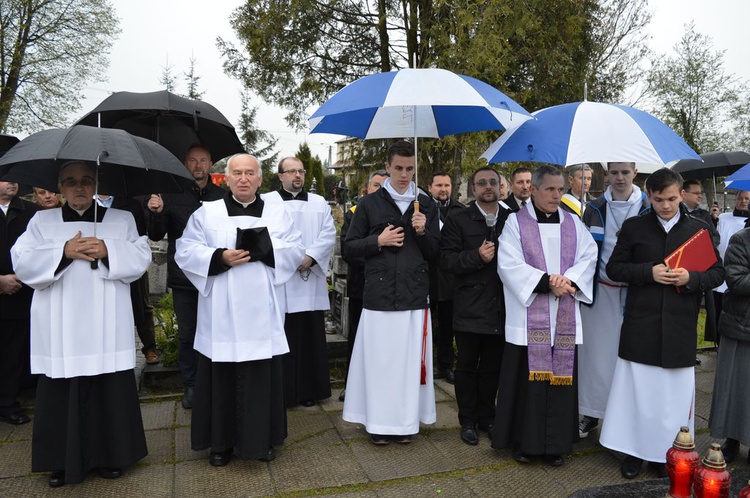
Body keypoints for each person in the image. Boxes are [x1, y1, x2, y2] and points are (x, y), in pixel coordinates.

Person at [11, 161, 151, 487]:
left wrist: (108, 249)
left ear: (96, 184)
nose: (79, 188)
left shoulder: (121, 219)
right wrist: (63, 251)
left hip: (107, 320)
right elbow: (22, 259)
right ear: (60, 187)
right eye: (71, 182)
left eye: (86, 181)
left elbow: (141, 255)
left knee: (109, 387)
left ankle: (112, 456)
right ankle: (60, 461)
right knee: (62, 389)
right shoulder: (41, 221)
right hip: (61, 322)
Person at [175, 154, 305, 465]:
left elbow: (296, 247)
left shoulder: (278, 212)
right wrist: (220, 257)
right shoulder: (207, 213)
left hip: (262, 310)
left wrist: (266, 250)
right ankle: (220, 444)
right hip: (221, 311)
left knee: (260, 377)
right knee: (221, 376)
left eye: (250, 173)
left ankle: (260, 441)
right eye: (237, 173)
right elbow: (186, 249)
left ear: (261, 179)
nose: (243, 178)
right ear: (227, 179)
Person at [599, 168, 724, 480]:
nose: (665, 205)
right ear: (649, 196)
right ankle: (632, 453)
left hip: (680, 324)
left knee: (671, 399)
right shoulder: (634, 227)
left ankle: (664, 454)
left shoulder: (699, 228)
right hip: (641, 322)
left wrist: (691, 278)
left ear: (681, 194)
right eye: (658, 200)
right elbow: (614, 268)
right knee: (636, 394)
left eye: (671, 198)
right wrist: (648, 272)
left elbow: (718, 274)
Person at [491, 165, 597, 467]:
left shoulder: (574, 223)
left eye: (560, 189)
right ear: (533, 189)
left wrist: (570, 280)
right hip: (528, 318)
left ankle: (556, 445)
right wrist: (548, 281)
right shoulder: (514, 223)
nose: (556, 195)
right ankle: (525, 443)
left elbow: (589, 256)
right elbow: (508, 262)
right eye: (550, 189)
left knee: (559, 383)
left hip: (564, 315)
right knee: (527, 386)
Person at [342, 140, 439, 445]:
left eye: (410, 169)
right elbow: (349, 248)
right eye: (398, 168)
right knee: (381, 365)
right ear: (387, 167)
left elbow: (436, 254)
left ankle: (406, 423)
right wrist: (378, 241)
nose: (404, 174)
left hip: (413, 296)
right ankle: (378, 424)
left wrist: (422, 232)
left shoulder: (427, 205)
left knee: (408, 366)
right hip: (380, 298)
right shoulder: (369, 204)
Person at [147, 144, 225, 409]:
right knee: (188, 333)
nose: (198, 166)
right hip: (185, 278)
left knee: (216, 329)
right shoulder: (171, 194)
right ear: (185, 164)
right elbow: (157, 234)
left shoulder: (222, 196)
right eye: (192, 161)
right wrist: (155, 213)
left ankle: (215, 381)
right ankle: (192, 385)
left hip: (216, 275)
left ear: (211, 163)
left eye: (203, 160)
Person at [577, 162, 648, 439]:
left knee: (630, 360)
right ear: (607, 174)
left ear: (635, 173)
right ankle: (591, 413)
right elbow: (583, 250)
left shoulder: (647, 206)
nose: (620, 178)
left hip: (637, 291)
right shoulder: (593, 208)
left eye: (625, 172)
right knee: (596, 357)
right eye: (614, 172)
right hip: (601, 290)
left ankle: (628, 418)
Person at [440, 167, 510, 446]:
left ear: (500, 186)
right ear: (473, 188)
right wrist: (475, 257)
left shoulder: (512, 219)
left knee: (493, 367)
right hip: (469, 305)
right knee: (467, 367)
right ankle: (467, 421)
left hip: (501, 305)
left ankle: (488, 418)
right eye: (482, 183)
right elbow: (446, 260)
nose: (488, 187)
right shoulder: (458, 219)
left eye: (493, 182)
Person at [265, 157, 336, 407]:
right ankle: (283, 391)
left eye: (301, 171)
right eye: (291, 171)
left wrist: (310, 257)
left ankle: (309, 391)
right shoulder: (267, 202)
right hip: (282, 279)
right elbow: (266, 235)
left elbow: (329, 233)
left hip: (309, 278)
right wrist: (290, 259)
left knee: (309, 336)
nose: (297, 175)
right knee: (284, 334)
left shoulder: (318, 203)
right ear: (280, 176)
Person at [339, 169, 388, 402]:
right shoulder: (354, 213)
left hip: (387, 288)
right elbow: (349, 248)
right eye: (376, 185)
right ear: (368, 188)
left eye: (384, 186)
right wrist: (375, 262)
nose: (380, 190)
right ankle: (351, 384)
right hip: (362, 284)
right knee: (357, 338)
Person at [98, 194, 160, 364]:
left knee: (141, 304)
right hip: (98, 266)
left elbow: (141, 234)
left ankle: (149, 347)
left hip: (126, 260)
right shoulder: (88, 203)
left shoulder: (132, 204)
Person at [709, 226, 750, 464]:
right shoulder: (741, 240)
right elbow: (736, 279)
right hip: (741, 324)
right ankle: (732, 440)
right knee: (734, 388)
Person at [0, 180, 38, 426]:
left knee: (13, 352)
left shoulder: (32, 213)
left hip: (20, 295)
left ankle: (7, 402)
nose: (12, 181)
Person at [428, 171, 465, 383]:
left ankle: (445, 365)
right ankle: (423, 364)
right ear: (431, 187)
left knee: (447, 326)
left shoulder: (460, 210)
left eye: (447, 185)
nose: (443, 189)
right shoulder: (422, 208)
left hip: (451, 278)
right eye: (439, 185)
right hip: (429, 277)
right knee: (424, 325)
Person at [681, 180, 720, 347]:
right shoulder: (677, 214)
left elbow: (715, 238)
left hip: (701, 271)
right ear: (684, 194)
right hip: (681, 269)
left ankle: (693, 347)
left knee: (700, 310)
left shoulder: (704, 216)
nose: (700, 195)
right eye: (696, 192)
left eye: (701, 193)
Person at [712, 190, 750, 343]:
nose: (743, 201)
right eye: (740, 198)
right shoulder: (724, 219)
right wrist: (713, 220)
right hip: (728, 271)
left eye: (747, 198)